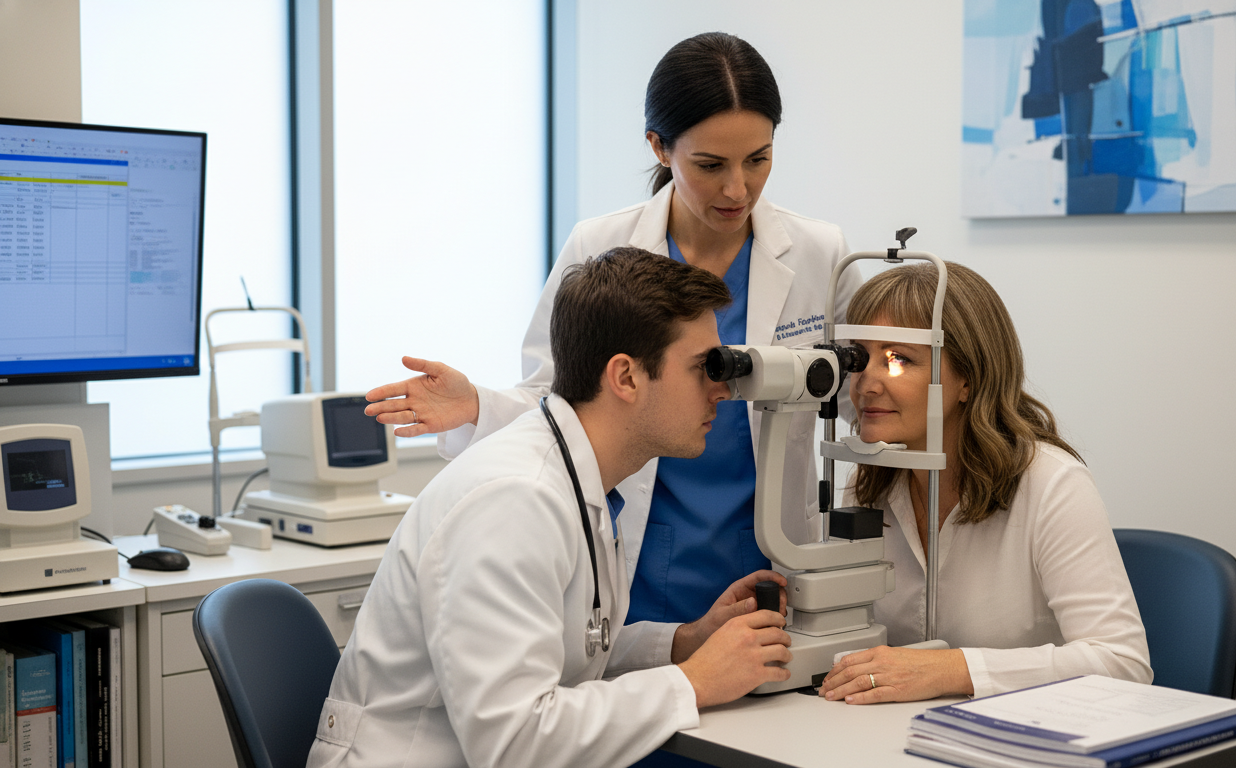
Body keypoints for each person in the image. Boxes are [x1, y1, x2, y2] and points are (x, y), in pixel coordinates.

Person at [364, 32, 862, 631]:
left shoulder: (819, 253)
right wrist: (476, 406)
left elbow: (858, 400)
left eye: (758, 159)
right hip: (642, 554)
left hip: (771, 552)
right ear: (659, 147)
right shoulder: (601, 248)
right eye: (710, 165)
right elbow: (560, 401)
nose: (738, 189)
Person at [306, 248, 793, 768]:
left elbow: (564, 650)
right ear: (625, 377)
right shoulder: (515, 501)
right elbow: (515, 744)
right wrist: (692, 682)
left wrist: (683, 643)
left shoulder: (576, 474)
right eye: (703, 367)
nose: (722, 389)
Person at [818, 261, 1152, 704]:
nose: (865, 384)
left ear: (967, 379)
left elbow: (1123, 664)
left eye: (899, 359)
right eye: (859, 358)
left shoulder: (1051, 484)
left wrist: (954, 668)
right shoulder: (870, 478)